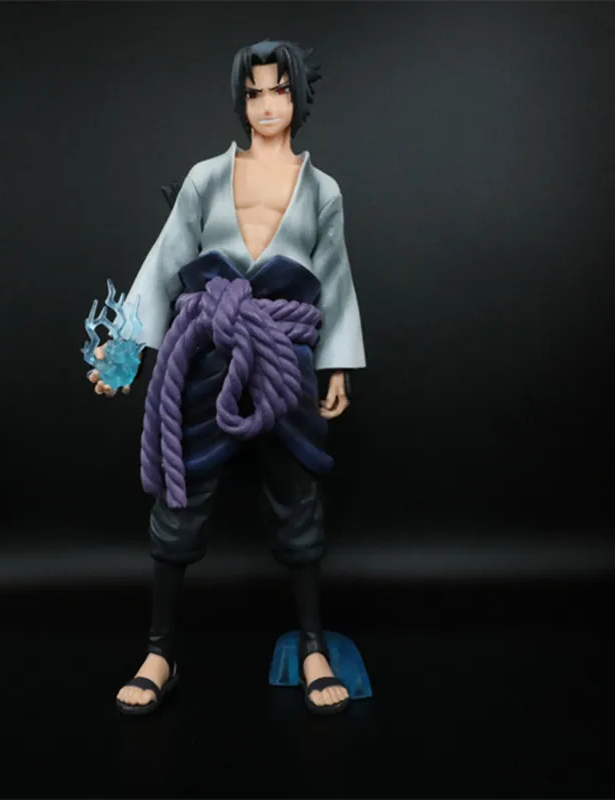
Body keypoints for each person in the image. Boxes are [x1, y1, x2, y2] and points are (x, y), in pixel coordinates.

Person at [87, 40, 366, 715]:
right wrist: (123, 354)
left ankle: (312, 644)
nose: (267, 105)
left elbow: (334, 277)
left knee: (298, 500)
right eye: (254, 92)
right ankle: (160, 650)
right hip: (209, 353)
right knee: (180, 497)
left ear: (298, 97)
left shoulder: (322, 189)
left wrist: (336, 362)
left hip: (284, 360)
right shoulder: (207, 177)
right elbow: (164, 263)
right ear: (241, 101)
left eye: (279, 90)